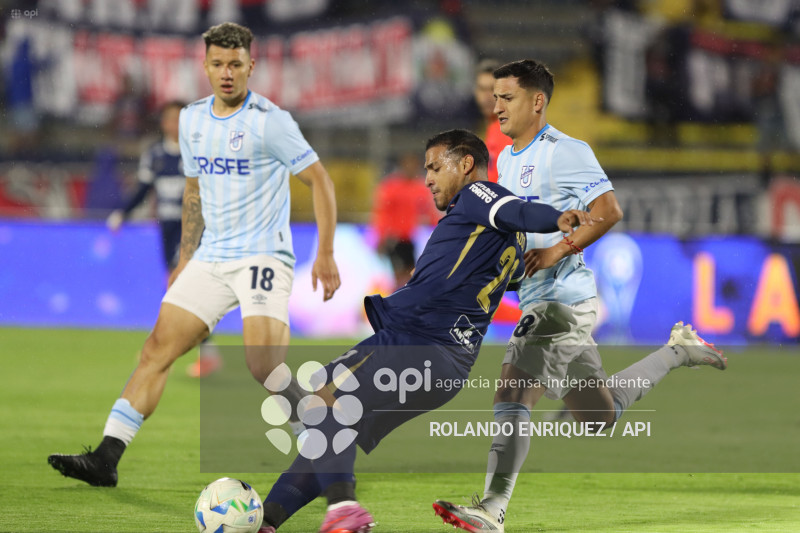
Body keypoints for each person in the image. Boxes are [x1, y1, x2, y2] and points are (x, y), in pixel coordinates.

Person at [431, 59, 727, 532]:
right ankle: (678, 352)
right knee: (598, 415)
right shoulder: (505, 159)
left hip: (561, 299)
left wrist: (557, 251)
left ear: (537, 101)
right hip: (540, 298)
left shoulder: (567, 151)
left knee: (512, 388)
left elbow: (608, 211)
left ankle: (492, 508)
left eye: (506, 97)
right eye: (494, 96)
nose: (496, 105)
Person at [256, 129, 597, 533]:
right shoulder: (504, 242)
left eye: (436, 167)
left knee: (321, 407)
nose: (428, 178)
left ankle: (344, 507)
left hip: (415, 341)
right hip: (446, 369)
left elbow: (521, 210)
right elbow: (511, 255)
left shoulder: (477, 196)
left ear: (466, 164)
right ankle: (268, 520)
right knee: (331, 433)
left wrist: (555, 219)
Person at [48, 22, 341, 488]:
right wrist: (186, 256)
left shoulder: (271, 121)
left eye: (236, 64)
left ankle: (328, 440)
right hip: (210, 256)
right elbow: (194, 189)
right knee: (156, 350)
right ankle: (106, 457)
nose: (227, 73)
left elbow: (320, 181)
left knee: (263, 365)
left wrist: (325, 252)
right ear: (205, 66)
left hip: (263, 256)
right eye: (219, 64)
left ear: (251, 65)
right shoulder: (191, 119)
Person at [106, 100, 223, 378]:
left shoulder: (200, 153)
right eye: (170, 119)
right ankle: (185, 348)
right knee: (179, 290)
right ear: (163, 123)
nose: (174, 125)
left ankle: (169, 347)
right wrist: (122, 213)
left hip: (194, 231)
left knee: (179, 287)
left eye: (180, 119)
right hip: (167, 229)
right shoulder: (155, 155)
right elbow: (144, 189)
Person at [370, 151, 440, 289]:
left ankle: (399, 304)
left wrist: (445, 224)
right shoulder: (390, 186)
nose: (411, 168)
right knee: (400, 276)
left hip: (408, 239)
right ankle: (395, 305)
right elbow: (381, 213)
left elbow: (429, 211)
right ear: (402, 166)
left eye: (414, 165)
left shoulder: (419, 187)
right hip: (393, 238)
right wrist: (381, 236)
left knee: (409, 276)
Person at [473, 58, 507, 183]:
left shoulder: (510, 132)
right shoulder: (490, 130)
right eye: (482, 89)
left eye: (492, 89)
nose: (487, 96)